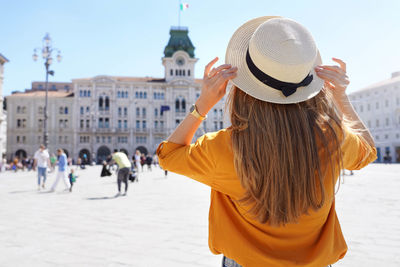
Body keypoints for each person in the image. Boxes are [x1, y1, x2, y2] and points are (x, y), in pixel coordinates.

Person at [157, 17, 377, 267]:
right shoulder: (332, 137)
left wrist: (203, 105)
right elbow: (368, 152)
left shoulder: (224, 146)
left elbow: (168, 156)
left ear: (243, 87)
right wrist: (341, 98)